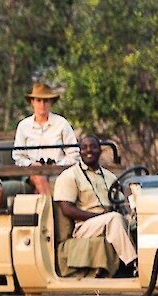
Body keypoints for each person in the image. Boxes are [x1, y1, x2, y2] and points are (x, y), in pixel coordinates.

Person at [53, 135, 138, 270]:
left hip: (108, 219)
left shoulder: (109, 176)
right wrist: (98, 216)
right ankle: (133, 263)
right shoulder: (69, 176)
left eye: (93, 147)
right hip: (84, 225)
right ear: (79, 152)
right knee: (114, 219)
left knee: (140, 221)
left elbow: (121, 201)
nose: (89, 151)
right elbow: (67, 209)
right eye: (84, 147)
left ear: (100, 150)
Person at [13, 82, 79, 167]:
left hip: (60, 172)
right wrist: (32, 165)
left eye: (46, 101)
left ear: (51, 102)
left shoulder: (62, 123)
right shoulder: (23, 126)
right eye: (38, 100)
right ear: (33, 102)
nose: (42, 105)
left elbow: (74, 154)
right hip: (32, 172)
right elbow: (18, 156)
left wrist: (58, 165)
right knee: (38, 178)